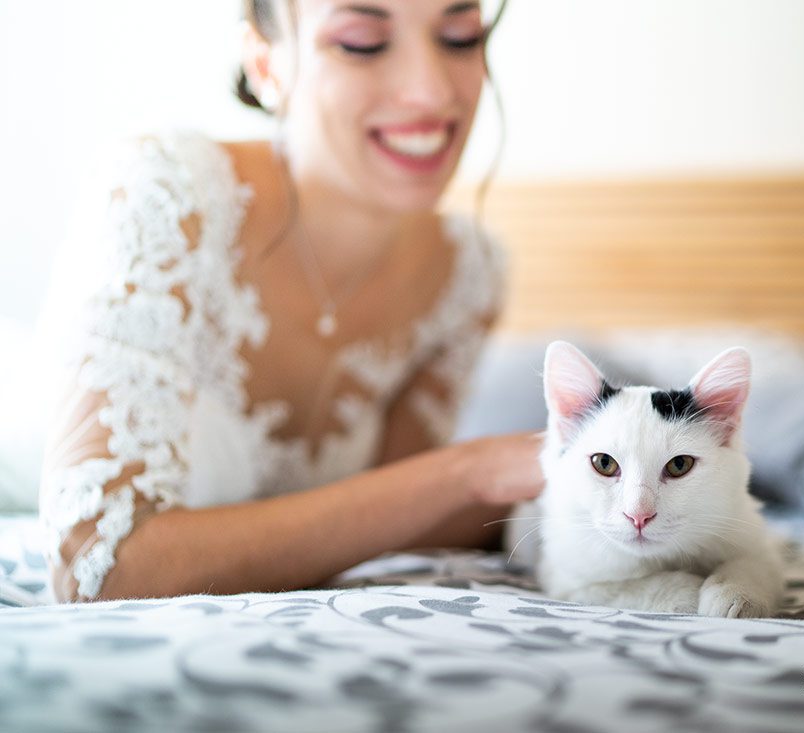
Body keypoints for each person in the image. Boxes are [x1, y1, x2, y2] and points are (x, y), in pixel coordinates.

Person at [37, 0, 543, 603]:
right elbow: (96, 567)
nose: (430, 91)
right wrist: (471, 471)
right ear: (265, 63)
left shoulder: (468, 274)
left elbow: (400, 514)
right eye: (361, 42)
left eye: (460, 36)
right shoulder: (168, 194)